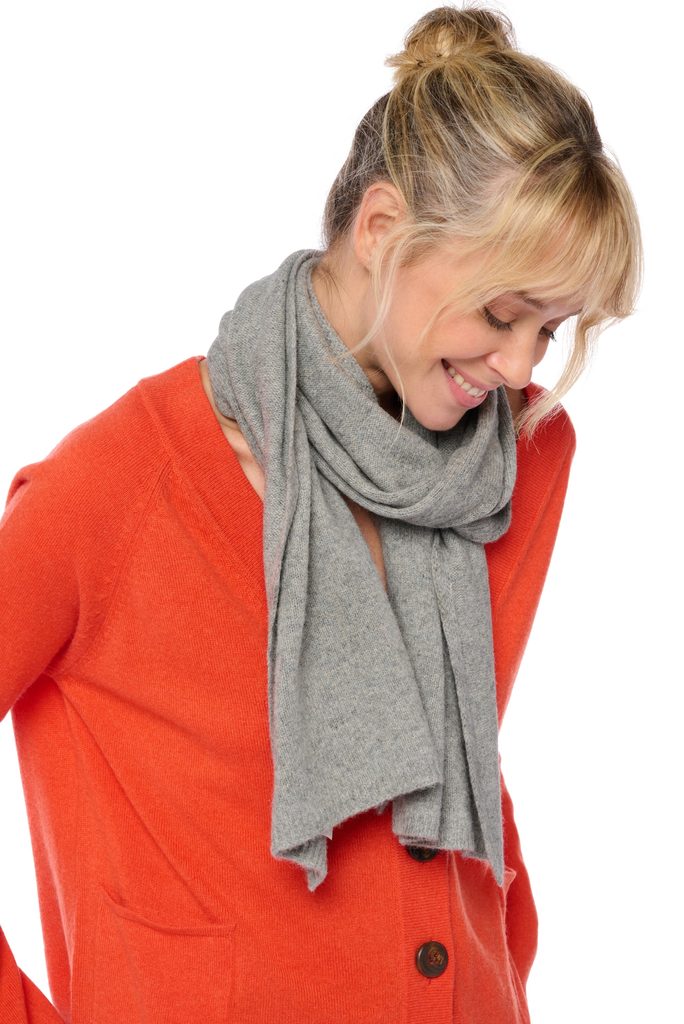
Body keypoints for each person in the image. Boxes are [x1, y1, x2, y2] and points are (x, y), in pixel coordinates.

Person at [0, 4, 642, 1023]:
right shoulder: (118, 487)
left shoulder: (522, 459)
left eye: (552, 329)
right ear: (380, 229)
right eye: (501, 313)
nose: (522, 367)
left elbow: (460, 749)